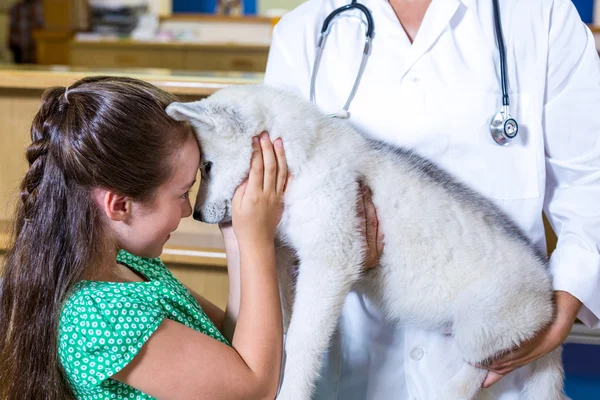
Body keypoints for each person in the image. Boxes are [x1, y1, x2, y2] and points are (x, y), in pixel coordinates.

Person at [252, 0, 600, 399]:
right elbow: (273, 200)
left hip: (497, 359)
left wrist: (563, 309)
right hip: (357, 357)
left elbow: (591, 182)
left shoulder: (543, 15)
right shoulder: (304, 31)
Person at [0, 76, 292, 400]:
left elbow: (229, 346)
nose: (188, 210)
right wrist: (257, 241)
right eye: (183, 193)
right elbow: (253, 390)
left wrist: (237, 236)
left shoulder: (128, 264)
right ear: (120, 205)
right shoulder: (98, 316)